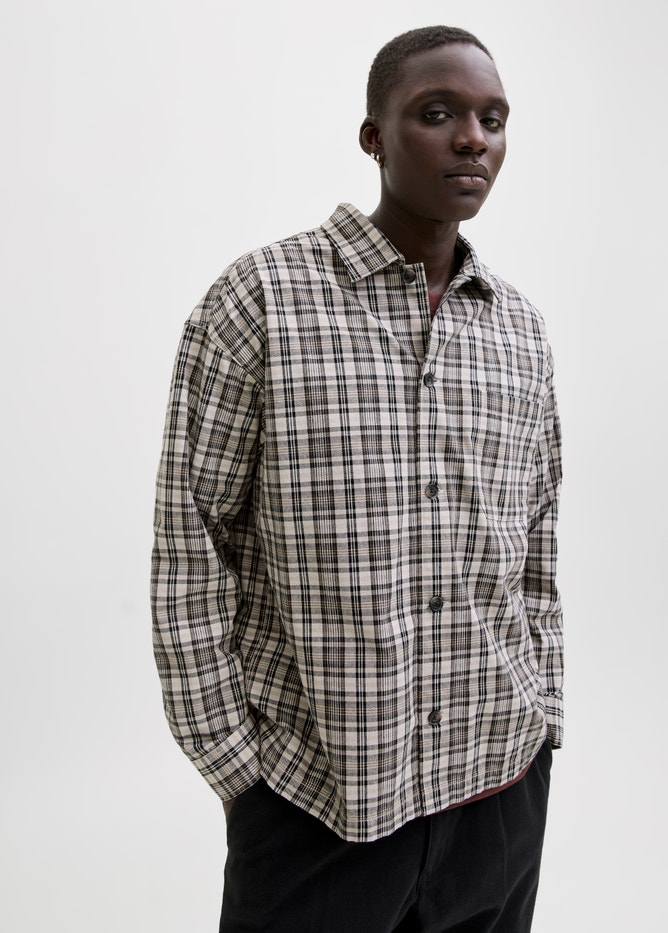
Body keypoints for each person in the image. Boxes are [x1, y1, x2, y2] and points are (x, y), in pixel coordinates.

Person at [151, 24, 563, 933]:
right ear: (374, 136)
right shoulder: (259, 300)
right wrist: (236, 767)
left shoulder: (522, 331)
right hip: (317, 799)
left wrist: (545, 717)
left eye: (493, 119)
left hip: (497, 789)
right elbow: (191, 542)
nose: (472, 139)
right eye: (438, 113)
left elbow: (537, 546)